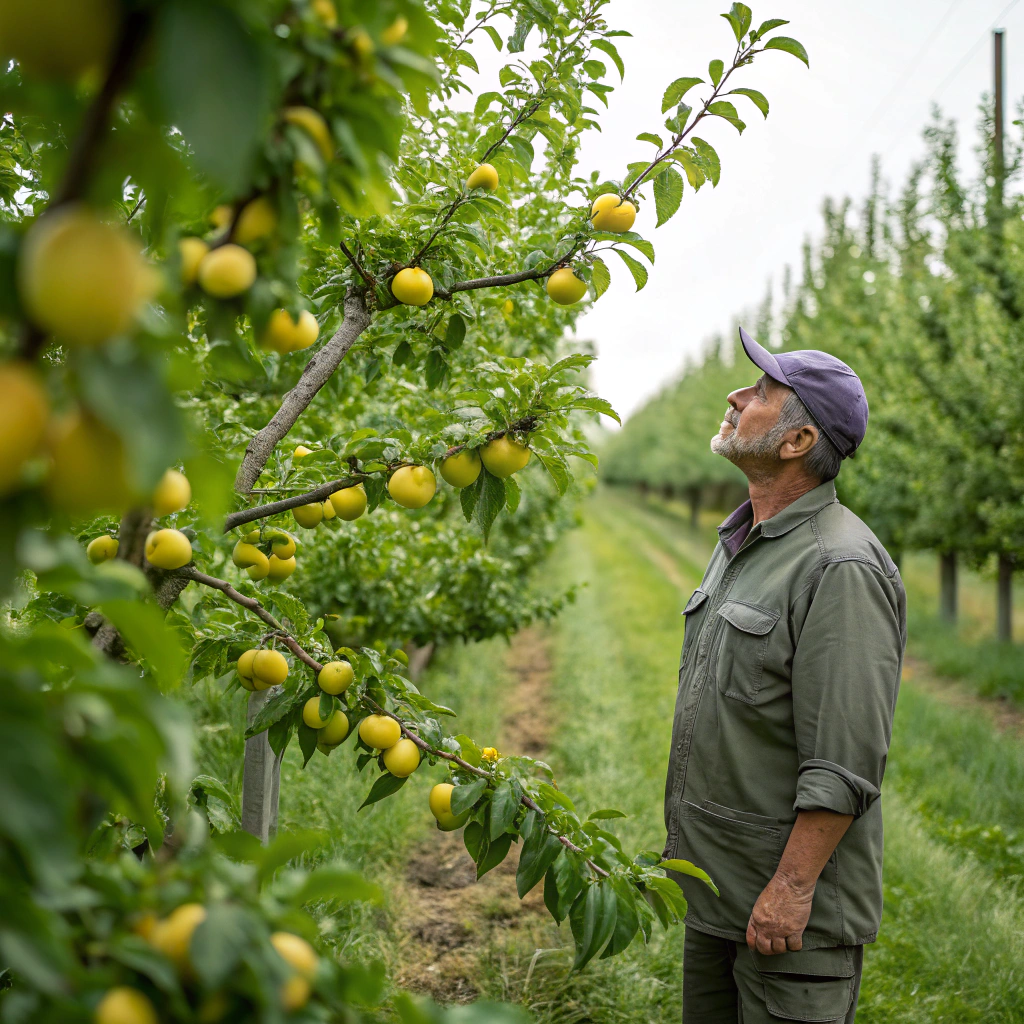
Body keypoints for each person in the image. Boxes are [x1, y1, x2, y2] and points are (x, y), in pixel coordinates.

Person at [663, 327, 906, 1023]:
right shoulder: (747, 542)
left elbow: (844, 760)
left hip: (787, 914)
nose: (739, 395)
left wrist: (793, 888)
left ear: (797, 443)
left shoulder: (840, 566)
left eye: (765, 390)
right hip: (717, 889)